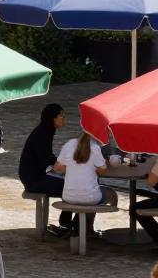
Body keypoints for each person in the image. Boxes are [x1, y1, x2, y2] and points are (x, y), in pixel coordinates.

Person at [18, 102, 73, 238]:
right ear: (53, 118)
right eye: (61, 116)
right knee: (71, 187)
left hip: (36, 176)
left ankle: (68, 224)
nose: (63, 119)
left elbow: (48, 159)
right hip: (34, 180)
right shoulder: (42, 134)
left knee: (70, 184)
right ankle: (65, 225)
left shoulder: (45, 130)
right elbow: (47, 161)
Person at [52, 129, 114, 239]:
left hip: (68, 197)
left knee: (85, 192)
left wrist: (74, 170)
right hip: (90, 197)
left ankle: (74, 228)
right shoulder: (95, 147)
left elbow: (58, 167)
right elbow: (102, 171)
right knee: (109, 194)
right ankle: (85, 230)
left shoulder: (69, 144)